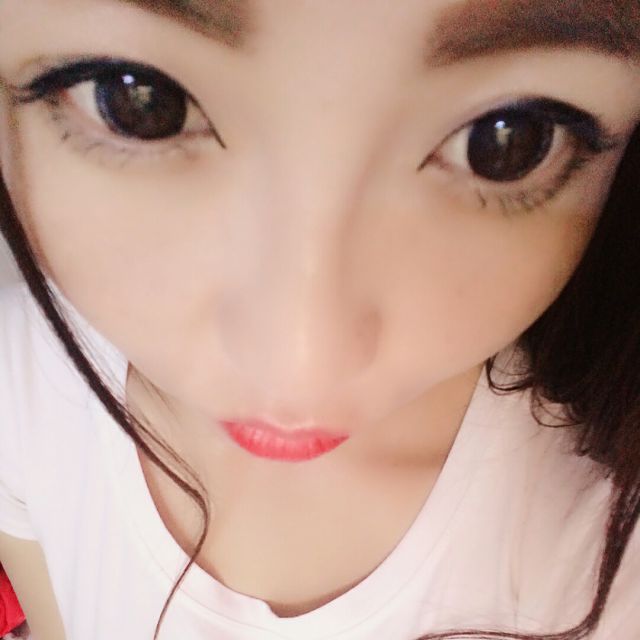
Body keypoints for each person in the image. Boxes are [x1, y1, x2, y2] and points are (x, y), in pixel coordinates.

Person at [0, 1, 639, 639]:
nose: (298, 371)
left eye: (505, 143)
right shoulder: (21, 383)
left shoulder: (595, 553)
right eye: (139, 105)